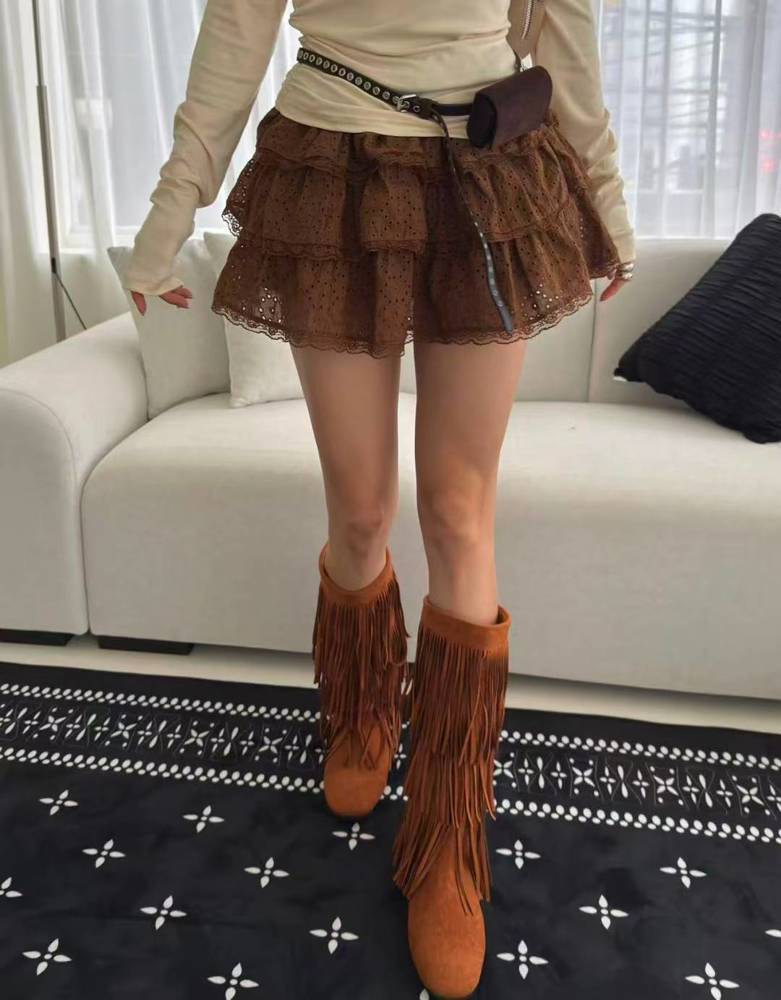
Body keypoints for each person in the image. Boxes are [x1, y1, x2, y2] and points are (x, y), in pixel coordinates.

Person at [121, 1, 635, 996]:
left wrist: (606, 206)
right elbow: (235, 37)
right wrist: (167, 216)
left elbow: (562, 35)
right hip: (332, 168)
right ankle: (362, 708)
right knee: (358, 508)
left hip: (488, 170)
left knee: (457, 510)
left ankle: (448, 834)